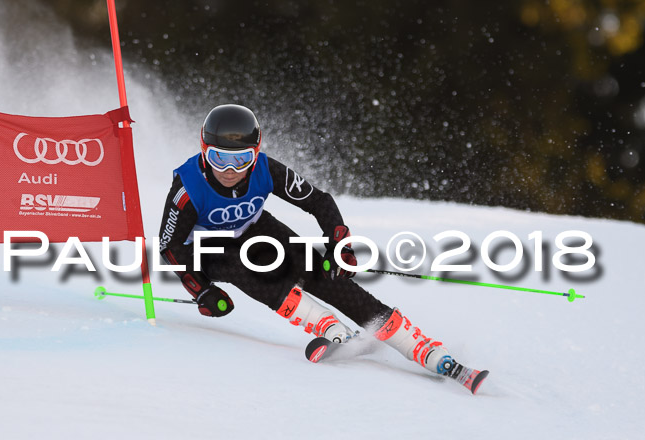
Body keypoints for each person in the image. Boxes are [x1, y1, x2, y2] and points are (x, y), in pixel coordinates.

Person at [158, 104, 486, 393]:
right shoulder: (187, 188)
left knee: (321, 272)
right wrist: (201, 290)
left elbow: (318, 201)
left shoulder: (265, 169)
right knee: (251, 272)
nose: (230, 171)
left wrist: (338, 241)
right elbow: (169, 246)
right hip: (204, 248)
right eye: (219, 158)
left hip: (254, 228)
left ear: (255, 154)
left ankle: (424, 349)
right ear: (204, 151)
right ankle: (329, 328)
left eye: (241, 159)